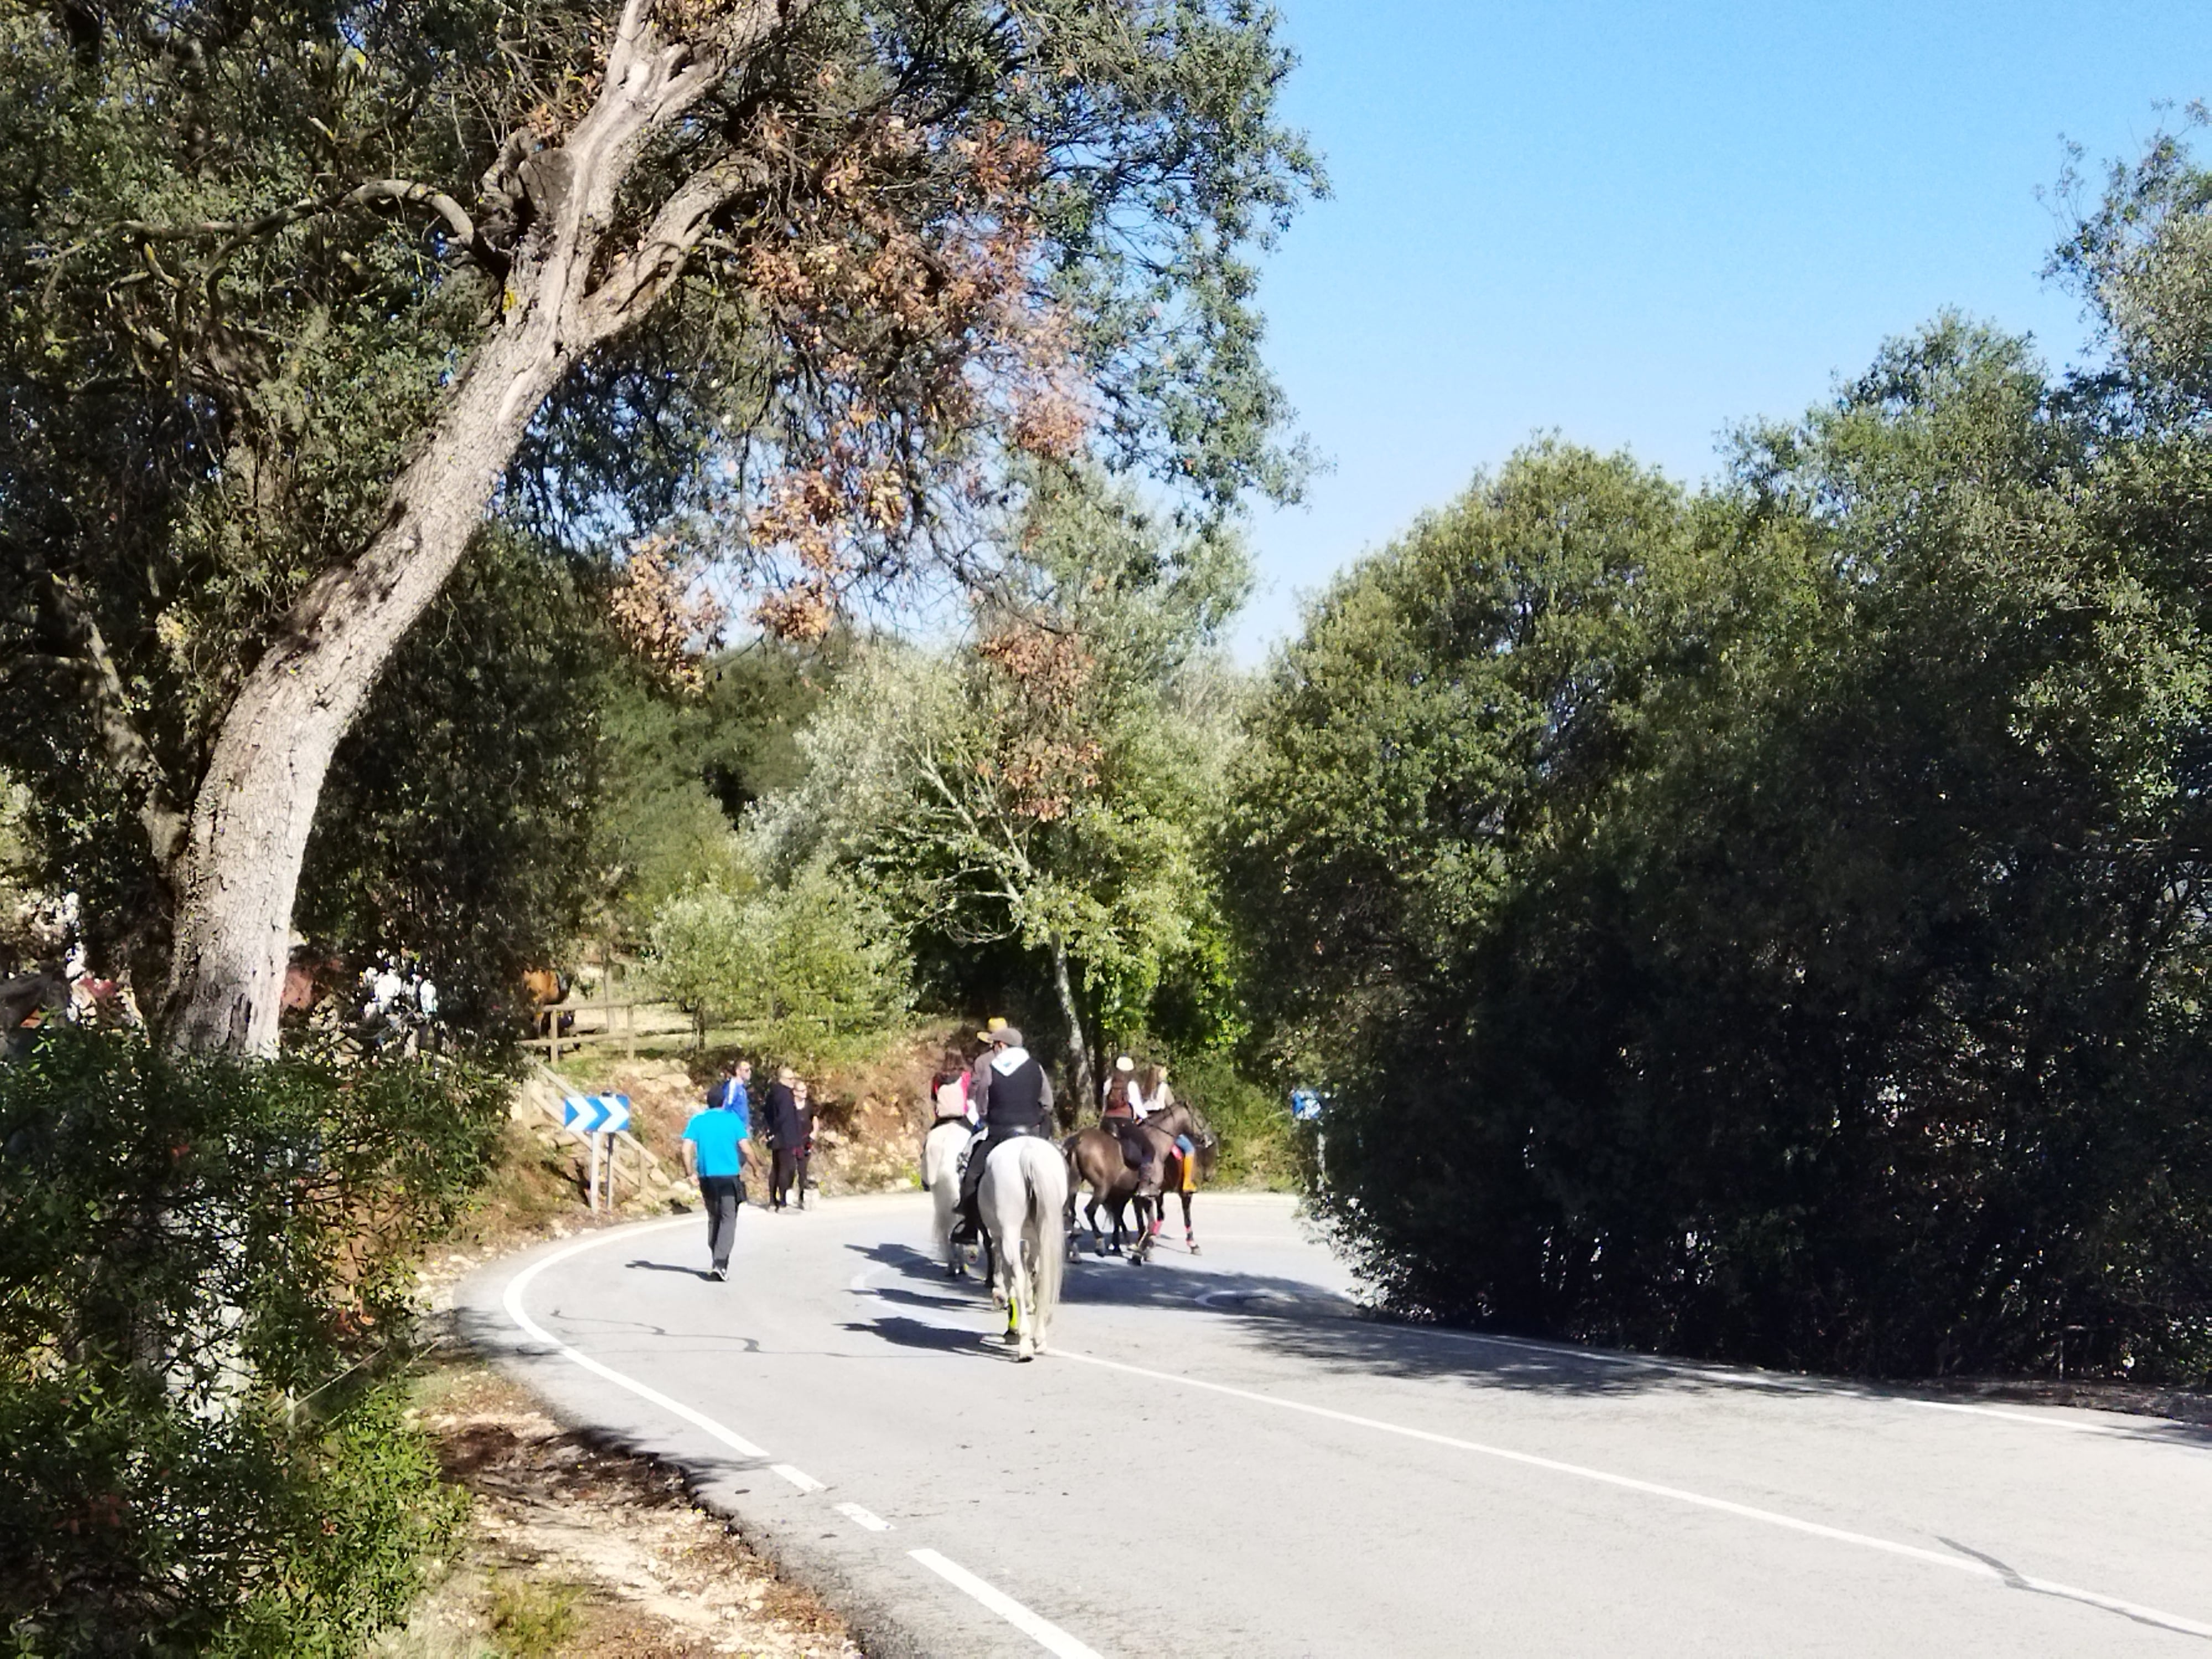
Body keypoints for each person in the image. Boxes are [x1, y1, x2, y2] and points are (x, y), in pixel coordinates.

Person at [950, 1025, 1053, 1244]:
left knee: (972, 1175)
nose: (994, 1050)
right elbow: (1048, 1102)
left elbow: (981, 1105)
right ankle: (1065, 1215)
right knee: (1059, 1166)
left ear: (1004, 1045)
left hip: (999, 1133)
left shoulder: (992, 1068)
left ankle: (969, 1226)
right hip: (1032, 1132)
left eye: (995, 1045)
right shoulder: (1037, 1067)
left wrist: (989, 1115)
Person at [681, 1095, 753, 1280]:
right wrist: (755, 1166)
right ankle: (720, 1263)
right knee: (728, 1217)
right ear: (723, 1102)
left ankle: (716, 1255)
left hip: (707, 1176)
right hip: (729, 1176)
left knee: (714, 1217)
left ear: (708, 1102)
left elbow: (685, 1149)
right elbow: (745, 1148)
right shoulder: (732, 1119)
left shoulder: (698, 1120)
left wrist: (690, 1172)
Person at [764, 1066, 802, 1211]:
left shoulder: (773, 1092)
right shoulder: (786, 1095)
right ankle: (783, 1202)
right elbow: (783, 1116)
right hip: (785, 1135)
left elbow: (767, 1112)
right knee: (786, 1168)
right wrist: (775, 1129)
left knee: (776, 1167)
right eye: (791, 1079)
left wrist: (769, 1130)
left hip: (776, 1136)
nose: (793, 1082)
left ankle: (773, 1201)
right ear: (782, 1079)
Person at [790, 1078, 816, 1209]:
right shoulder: (790, 1106)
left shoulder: (809, 1106)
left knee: (803, 1171)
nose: (804, 1093)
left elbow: (814, 1119)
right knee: (789, 1169)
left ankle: (802, 1198)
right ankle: (786, 1196)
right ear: (795, 1092)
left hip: (805, 1141)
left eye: (805, 1090)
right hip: (792, 1141)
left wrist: (815, 1132)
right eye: (801, 1091)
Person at [711, 1057, 753, 1121]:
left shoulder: (742, 1088)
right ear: (738, 1071)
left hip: (742, 1127)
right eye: (747, 1070)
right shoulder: (733, 1086)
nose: (750, 1072)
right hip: (734, 1126)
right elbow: (726, 1106)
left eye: (750, 1070)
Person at [1102, 1054, 1139, 1119]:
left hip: (1107, 1119)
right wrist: (1146, 1117)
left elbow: (1105, 1104)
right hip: (1125, 1121)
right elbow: (1137, 1107)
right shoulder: (1132, 1085)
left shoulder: (1108, 1083)